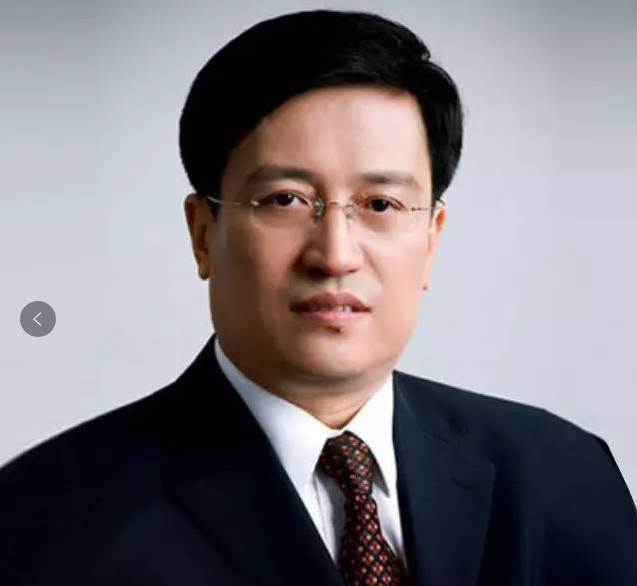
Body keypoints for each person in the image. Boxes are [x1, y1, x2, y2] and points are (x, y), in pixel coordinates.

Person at [1, 9, 636, 586]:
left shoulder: (564, 475)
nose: (335, 254)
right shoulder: (45, 521)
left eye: (380, 204)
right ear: (202, 233)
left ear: (431, 238)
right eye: (285, 200)